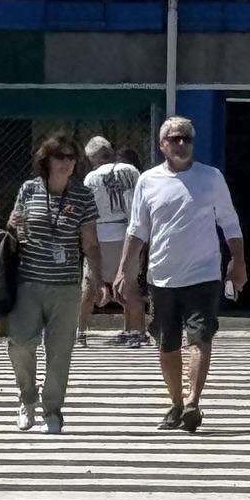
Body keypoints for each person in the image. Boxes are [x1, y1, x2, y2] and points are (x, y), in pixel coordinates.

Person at [118, 116, 246, 433]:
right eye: (174, 138)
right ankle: (175, 403)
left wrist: (238, 263)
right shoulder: (148, 181)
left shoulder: (210, 178)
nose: (180, 143)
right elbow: (137, 230)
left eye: (186, 138)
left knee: (200, 338)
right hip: (162, 277)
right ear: (162, 145)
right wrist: (124, 271)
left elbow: (230, 223)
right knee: (167, 344)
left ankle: (192, 403)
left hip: (203, 275)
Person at [5, 132, 99, 434]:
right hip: (28, 282)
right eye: (60, 156)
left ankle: (53, 409)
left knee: (60, 351)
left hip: (65, 286)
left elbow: (90, 242)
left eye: (72, 157)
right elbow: (13, 228)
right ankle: (27, 398)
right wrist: (14, 227)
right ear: (46, 160)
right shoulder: (29, 189)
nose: (66, 162)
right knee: (20, 344)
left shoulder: (83, 195)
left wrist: (96, 276)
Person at [82, 136, 147, 347]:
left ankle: (78, 330)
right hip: (130, 232)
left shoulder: (91, 179)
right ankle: (135, 331)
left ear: (94, 157)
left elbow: (88, 212)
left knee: (90, 282)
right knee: (128, 283)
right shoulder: (132, 172)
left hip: (102, 234)